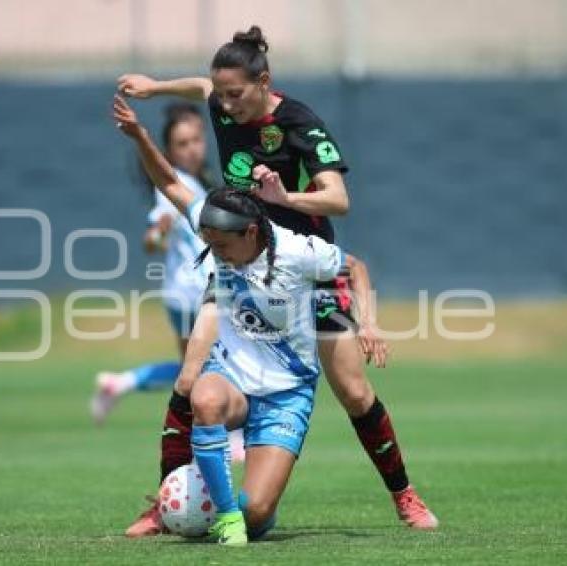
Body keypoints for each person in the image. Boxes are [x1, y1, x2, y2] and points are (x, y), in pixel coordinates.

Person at [117, 25, 437, 532]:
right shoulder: (222, 100)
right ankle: (165, 504)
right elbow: (201, 90)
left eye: (235, 94)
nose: (224, 105)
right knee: (188, 378)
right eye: (219, 94)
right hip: (236, 258)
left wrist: (287, 202)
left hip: (304, 267)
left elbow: (339, 200)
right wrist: (154, 88)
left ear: (263, 82)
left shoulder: (300, 124)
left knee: (353, 392)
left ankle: (405, 496)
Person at [115, 94, 352, 545]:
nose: (214, 252)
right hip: (235, 378)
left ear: (250, 233)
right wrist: (140, 136)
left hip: (286, 392)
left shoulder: (296, 251)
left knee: (258, 513)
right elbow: (167, 181)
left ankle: (243, 514)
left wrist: (370, 325)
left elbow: (352, 267)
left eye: (222, 245)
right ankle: (215, 514)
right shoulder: (217, 226)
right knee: (195, 390)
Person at [90, 104, 247, 468]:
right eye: (182, 143)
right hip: (199, 293)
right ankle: (235, 438)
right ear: (169, 152)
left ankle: (122, 383)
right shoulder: (174, 185)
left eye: (196, 139)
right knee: (228, 363)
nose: (192, 148)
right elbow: (158, 226)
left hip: (180, 293)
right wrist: (157, 231)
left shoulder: (199, 180)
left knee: (189, 370)